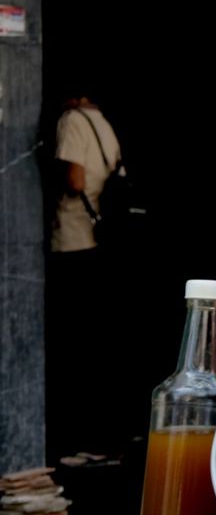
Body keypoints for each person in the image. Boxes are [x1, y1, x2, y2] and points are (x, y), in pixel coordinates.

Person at [45, 90, 124, 462]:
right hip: (99, 242)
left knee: (72, 342)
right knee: (95, 338)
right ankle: (100, 438)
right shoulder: (102, 121)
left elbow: (75, 180)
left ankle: (78, 440)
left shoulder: (72, 122)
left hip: (73, 238)